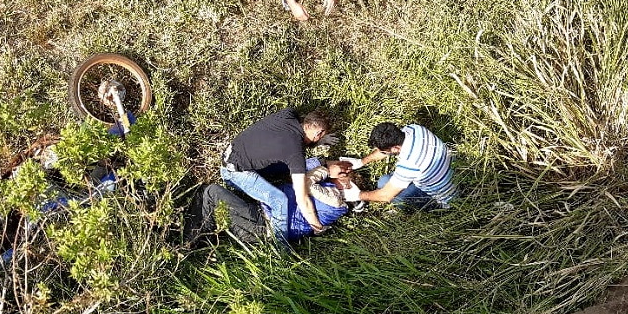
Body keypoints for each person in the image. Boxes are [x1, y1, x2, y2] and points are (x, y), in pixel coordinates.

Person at [192, 158, 359, 247]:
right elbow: (298, 168)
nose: (340, 174)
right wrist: (323, 162)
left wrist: (326, 170)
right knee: (212, 199)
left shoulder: (335, 200)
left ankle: (186, 245)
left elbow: (304, 183)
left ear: (346, 184)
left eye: (344, 175)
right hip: (260, 216)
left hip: (262, 223)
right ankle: (202, 238)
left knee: (211, 192)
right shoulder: (329, 193)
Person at [220, 108, 332, 242]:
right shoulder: (295, 153)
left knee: (291, 167)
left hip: (231, 154)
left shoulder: (288, 114)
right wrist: (318, 228)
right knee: (280, 200)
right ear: (319, 133)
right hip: (234, 174)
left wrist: (317, 141)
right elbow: (302, 198)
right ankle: (280, 250)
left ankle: (318, 162)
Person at [343, 122, 458, 210]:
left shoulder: (409, 163)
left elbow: (385, 196)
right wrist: (362, 161)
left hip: (446, 199)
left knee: (383, 183)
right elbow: (387, 149)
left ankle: (432, 208)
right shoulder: (414, 129)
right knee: (388, 181)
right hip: (455, 171)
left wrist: (358, 195)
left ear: (395, 148)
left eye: (384, 152)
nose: (383, 154)